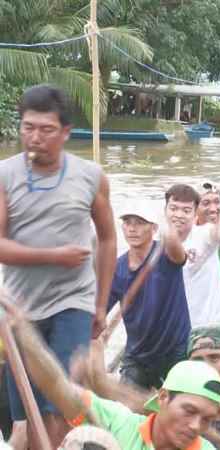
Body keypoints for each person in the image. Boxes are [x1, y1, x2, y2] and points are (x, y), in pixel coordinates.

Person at [0, 85, 117, 447]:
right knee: (24, 414)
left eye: (46, 129)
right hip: (20, 307)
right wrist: (54, 255)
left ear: (66, 132)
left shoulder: (91, 176)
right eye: (28, 127)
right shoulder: (4, 175)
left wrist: (100, 303)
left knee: (63, 405)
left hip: (73, 302)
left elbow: (109, 239)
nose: (35, 137)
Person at [4, 301, 220, 450]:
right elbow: (57, 386)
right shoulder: (119, 424)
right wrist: (22, 333)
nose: (196, 426)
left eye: (207, 420)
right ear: (163, 397)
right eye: (189, 411)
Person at [108, 201, 189, 390]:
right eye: (128, 223)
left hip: (175, 350)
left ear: (153, 228)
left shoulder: (166, 253)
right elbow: (98, 313)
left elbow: (179, 254)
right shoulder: (117, 268)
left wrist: (168, 227)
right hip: (138, 354)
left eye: (139, 223)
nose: (132, 229)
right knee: (127, 408)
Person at [165, 184, 220, 329]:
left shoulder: (205, 234)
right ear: (165, 210)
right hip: (176, 328)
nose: (179, 215)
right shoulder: (157, 242)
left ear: (195, 214)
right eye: (173, 208)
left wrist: (216, 211)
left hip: (212, 326)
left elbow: (219, 233)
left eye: (186, 210)